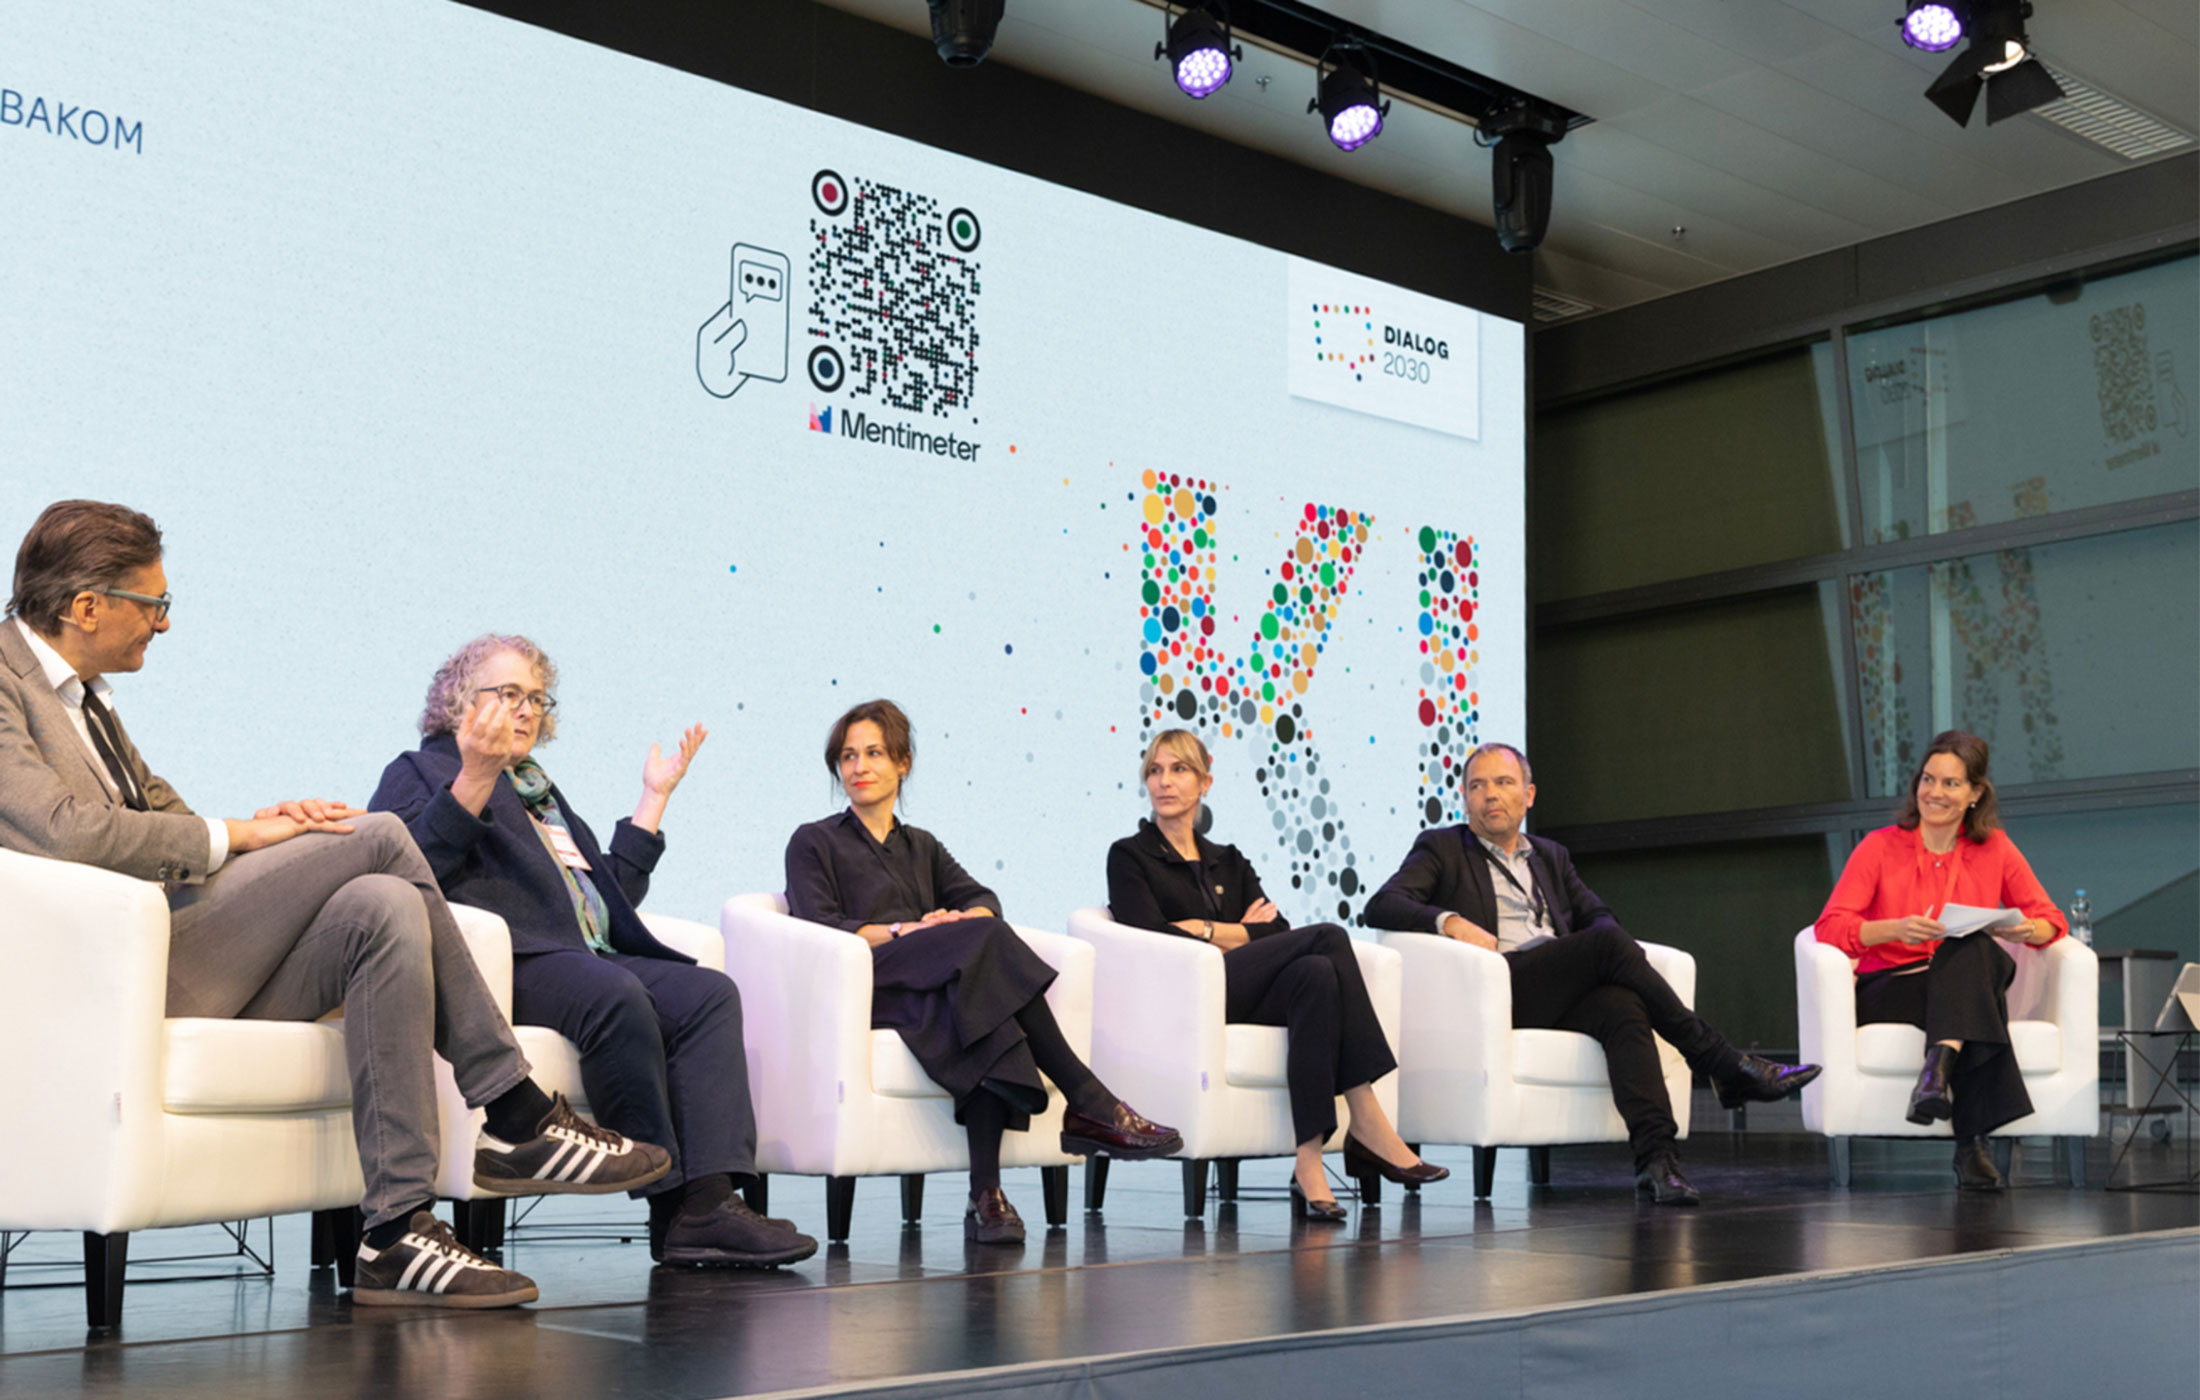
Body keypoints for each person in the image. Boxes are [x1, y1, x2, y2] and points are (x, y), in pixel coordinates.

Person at [0, 502, 668, 1310]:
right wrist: (237, 835)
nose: (164, 626)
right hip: (110, 977)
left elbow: (162, 817)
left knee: (383, 903)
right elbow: (65, 832)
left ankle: (394, 1232)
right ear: (87, 605)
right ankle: (515, 1108)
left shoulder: (92, 700)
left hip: (177, 950)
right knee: (384, 834)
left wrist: (278, 832)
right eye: (155, 606)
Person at [370, 635, 817, 1267]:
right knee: (617, 994)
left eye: (535, 697)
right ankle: (665, 1195)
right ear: (459, 702)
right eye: (508, 694)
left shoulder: (537, 791)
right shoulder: (419, 771)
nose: (527, 709)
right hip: (510, 963)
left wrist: (653, 801)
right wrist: (475, 775)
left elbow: (605, 896)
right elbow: (403, 872)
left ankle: (708, 1205)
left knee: (709, 995)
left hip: (584, 954)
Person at [784, 699, 1183, 1245]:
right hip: (869, 984)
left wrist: (957, 919)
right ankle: (1089, 1102)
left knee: (987, 1013)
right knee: (983, 946)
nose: (859, 767)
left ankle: (986, 1197)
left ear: (903, 762)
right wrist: (912, 932)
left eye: (874, 753)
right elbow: (820, 926)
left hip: (930, 990)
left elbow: (982, 899)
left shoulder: (921, 845)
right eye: (848, 757)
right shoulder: (815, 840)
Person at [1365, 742, 1820, 1205]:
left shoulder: (1550, 856)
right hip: (1497, 987)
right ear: (1464, 796)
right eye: (1477, 786)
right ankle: (1721, 1060)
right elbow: (1381, 904)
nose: (1490, 795)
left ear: (1529, 794)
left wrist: (1582, 955)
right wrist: (1449, 921)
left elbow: (1599, 917)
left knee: (1622, 1007)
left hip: (1556, 984)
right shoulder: (1443, 847)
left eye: (1503, 783)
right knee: (1604, 947)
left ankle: (1657, 1163)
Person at [1105, 729, 1446, 1221]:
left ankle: (1308, 1162)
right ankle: (1367, 1118)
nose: (1164, 782)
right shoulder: (1130, 855)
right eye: (1155, 771)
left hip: (1240, 986)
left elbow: (1279, 930)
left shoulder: (1228, 858)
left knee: (1316, 975)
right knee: (1327, 936)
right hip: (1183, 994)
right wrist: (1240, 930)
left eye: (1178, 770)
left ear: (1205, 782)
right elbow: (1152, 936)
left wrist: (1206, 928)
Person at [1814, 730, 2065, 1191]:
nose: (1934, 793)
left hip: (1957, 983)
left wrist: (2022, 930)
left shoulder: (1996, 849)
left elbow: (2050, 919)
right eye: (1928, 780)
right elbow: (1829, 927)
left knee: (1971, 949)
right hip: (1889, 988)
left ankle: (1936, 1074)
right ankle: (1971, 1144)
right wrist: (1894, 928)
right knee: (1977, 993)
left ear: (1974, 794)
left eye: (1951, 784)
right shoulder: (1879, 846)